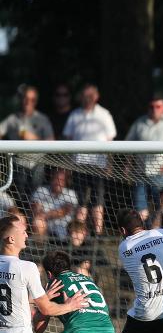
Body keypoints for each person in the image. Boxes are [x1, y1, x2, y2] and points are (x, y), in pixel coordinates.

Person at [62, 83, 117, 235]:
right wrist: (67, 167)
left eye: (91, 95)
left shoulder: (104, 114)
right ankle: (80, 234)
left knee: (97, 200)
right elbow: (68, 140)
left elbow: (110, 142)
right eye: (85, 95)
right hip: (78, 165)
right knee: (81, 201)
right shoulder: (75, 115)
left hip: (99, 165)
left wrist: (110, 164)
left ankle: (98, 234)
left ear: (96, 96)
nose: (88, 99)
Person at [125, 94, 163, 219]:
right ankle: (144, 236)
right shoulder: (139, 123)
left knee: (160, 210)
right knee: (141, 210)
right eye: (152, 106)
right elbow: (128, 145)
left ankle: (159, 236)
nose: (154, 109)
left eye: (158, 106)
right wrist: (128, 165)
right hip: (140, 172)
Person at [1, 85, 54, 200]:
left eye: (32, 99)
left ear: (36, 102)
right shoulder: (12, 119)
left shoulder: (42, 119)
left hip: (37, 164)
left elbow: (52, 143)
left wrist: (33, 138)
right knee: (17, 199)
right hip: (17, 165)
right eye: (25, 98)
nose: (28, 102)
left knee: (35, 199)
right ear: (21, 99)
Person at [31, 168, 78, 239]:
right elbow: (35, 207)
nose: (58, 182)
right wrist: (40, 214)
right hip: (45, 229)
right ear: (51, 179)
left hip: (63, 229)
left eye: (61, 180)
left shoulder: (70, 194)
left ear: (66, 182)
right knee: (38, 222)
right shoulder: (42, 190)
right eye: (56, 179)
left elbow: (64, 211)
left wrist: (45, 215)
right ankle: (40, 249)